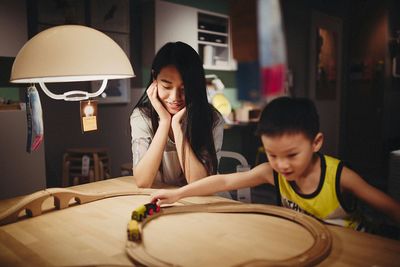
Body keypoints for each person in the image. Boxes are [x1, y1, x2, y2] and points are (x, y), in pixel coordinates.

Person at [151, 96, 400, 230]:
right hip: (305, 244)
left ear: (316, 142)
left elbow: (390, 207)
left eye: (292, 155)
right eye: (272, 155)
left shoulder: (339, 176)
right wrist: (178, 194)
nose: (282, 165)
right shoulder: (272, 173)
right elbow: (224, 180)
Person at [130, 41, 224, 188]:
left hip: (203, 200)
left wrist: (177, 127)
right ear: (154, 78)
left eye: (184, 89)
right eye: (167, 86)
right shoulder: (142, 117)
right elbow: (143, 181)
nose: (175, 97)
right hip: (162, 201)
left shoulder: (212, 119)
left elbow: (199, 184)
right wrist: (164, 122)